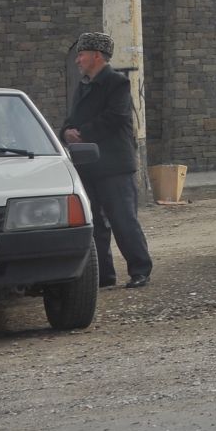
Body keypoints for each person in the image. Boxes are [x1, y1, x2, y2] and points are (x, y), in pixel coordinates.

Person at [61, 30, 153, 290]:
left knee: (123, 220)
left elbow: (116, 117)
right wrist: (65, 132)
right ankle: (104, 275)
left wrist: (83, 133)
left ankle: (140, 270)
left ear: (97, 56)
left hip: (114, 167)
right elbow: (72, 118)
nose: (77, 61)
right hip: (87, 166)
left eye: (81, 55)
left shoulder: (117, 83)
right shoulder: (82, 87)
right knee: (95, 226)